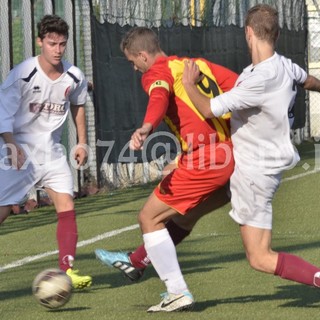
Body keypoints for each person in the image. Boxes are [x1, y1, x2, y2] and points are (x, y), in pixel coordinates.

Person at [95, 26, 237, 312]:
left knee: (149, 217)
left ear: (143, 56)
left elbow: (159, 96)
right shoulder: (195, 65)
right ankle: (136, 262)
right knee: (185, 217)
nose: (135, 69)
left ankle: (177, 292)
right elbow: (240, 86)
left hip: (207, 159)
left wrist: (147, 127)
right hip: (233, 153)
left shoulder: (156, 72)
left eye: (133, 62)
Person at [182, 4, 320, 291]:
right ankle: (146, 258)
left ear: (247, 32)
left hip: (253, 174)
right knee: (190, 209)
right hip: (257, 167)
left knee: (259, 258)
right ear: (277, 34)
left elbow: (208, 110)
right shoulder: (283, 65)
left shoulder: (259, 79)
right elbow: (308, 80)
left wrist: (188, 84)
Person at [0, 15, 92, 289]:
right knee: (3, 211)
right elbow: (3, 112)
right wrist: (10, 144)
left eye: (62, 44)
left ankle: (68, 269)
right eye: (52, 43)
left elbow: (78, 105)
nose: (58, 49)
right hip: (19, 150)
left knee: (66, 204)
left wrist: (82, 142)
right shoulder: (23, 73)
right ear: (40, 42)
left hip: (51, 151)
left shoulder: (74, 76)